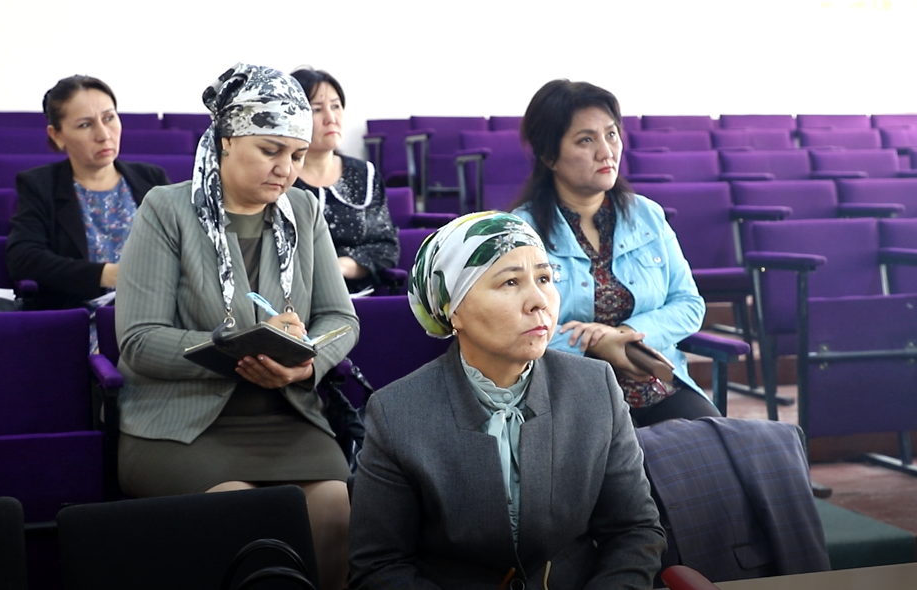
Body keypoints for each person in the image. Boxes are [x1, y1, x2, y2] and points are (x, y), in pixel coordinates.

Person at [114, 63, 359, 590]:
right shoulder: (167, 209)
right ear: (226, 140)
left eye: (297, 155)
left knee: (334, 508)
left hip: (284, 413)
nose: (286, 169)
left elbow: (341, 320)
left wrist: (305, 365)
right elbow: (138, 341)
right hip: (181, 422)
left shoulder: (304, 211)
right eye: (270, 150)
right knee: (244, 514)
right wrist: (236, 348)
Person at [349, 211, 665, 589]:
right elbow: (379, 564)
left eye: (544, 278)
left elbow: (634, 530)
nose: (539, 301)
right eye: (510, 282)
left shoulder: (595, 387)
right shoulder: (397, 412)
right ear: (453, 309)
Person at [512, 80, 718, 427]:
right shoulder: (522, 232)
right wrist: (592, 346)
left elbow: (689, 304)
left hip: (653, 383)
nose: (606, 151)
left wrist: (623, 336)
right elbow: (516, 324)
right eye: (586, 140)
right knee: (629, 458)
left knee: (716, 443)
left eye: (611, 134)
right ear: (549, 156)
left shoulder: (647, 215)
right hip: (570, 393)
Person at [5, 75, 170, 310]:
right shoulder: (40, 185)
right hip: (78, 318)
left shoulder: (151, 178)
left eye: (109, 118)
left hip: (156, 313)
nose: (103, 135)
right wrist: (107, 274)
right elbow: (23, 257)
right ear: (57, 135)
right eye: (85, 125)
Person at [290, 67, 399, 294]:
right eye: (316, 109)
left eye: (335, 106)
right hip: (299, 298)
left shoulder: (364, 174)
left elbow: (386, 247)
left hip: (361, 296)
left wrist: (340, 266)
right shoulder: (280, 177)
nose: (331, 118)